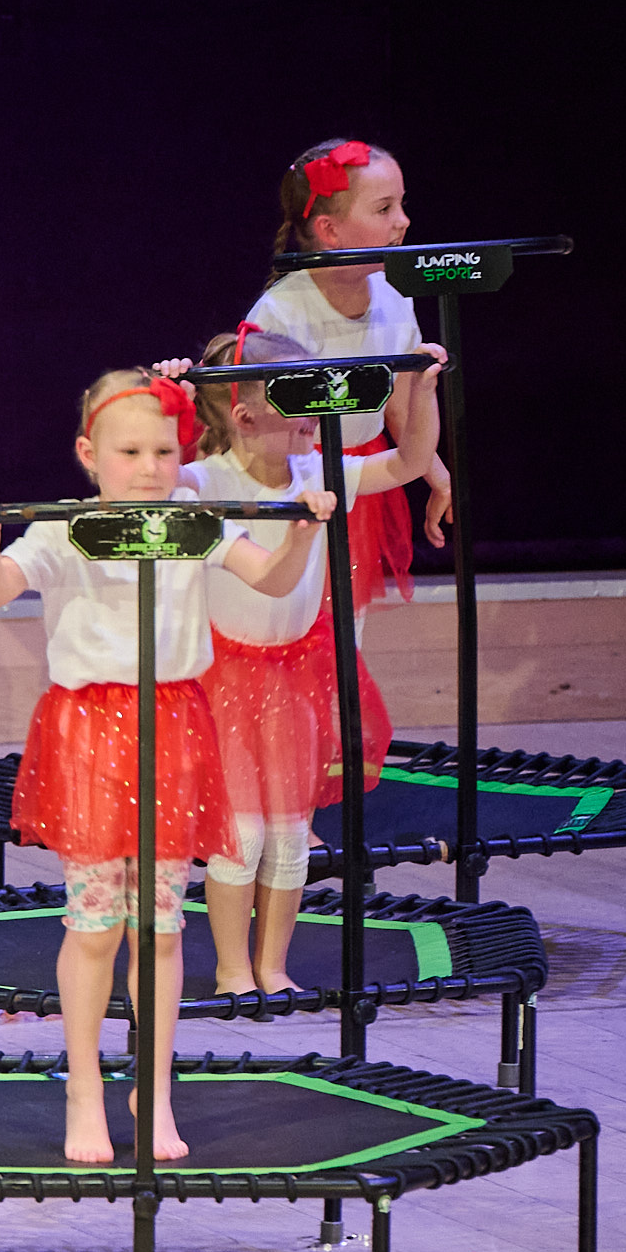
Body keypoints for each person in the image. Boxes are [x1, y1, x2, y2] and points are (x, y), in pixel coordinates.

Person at [0, 371, 336, 1165]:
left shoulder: (193, 523)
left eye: (164, 451)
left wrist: (302, 535)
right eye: (129, 452)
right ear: (89, 453)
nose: (150, 467)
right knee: (95, 926)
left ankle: (153, 1089)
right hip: (92, 736)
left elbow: (268, 577)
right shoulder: (65, 529)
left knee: (160, 928)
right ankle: (84, 1088)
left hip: (175, 729)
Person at [181, 325, 446, 997]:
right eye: (299, 405)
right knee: (241, 834)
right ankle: (232, 968)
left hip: (296, 678)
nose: (316, 418)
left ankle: (273, 966)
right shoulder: (201, 482)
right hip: (222, 683)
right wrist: (170, 398)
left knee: (289, 833)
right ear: (246, 418)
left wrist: (419, 389)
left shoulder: (318, 469)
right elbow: (136, 481)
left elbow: (410, 461)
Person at [245, 138, 453, 621]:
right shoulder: (281, 315)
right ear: (330, 230)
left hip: (366, 475)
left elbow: (400, 407)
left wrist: (436, 475)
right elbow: (260, 430)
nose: (403, 221)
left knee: (345, 620)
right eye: (384, 208)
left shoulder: (394, 296)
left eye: (401, 205)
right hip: (298, 481)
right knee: (295, 616)